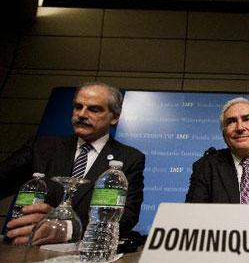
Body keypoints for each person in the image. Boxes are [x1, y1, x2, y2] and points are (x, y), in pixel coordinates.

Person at [1, 82, 145, 245]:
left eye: (94, 109)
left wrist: (68, 229)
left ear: (114, 117)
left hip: (82, 254)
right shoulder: (41, 147)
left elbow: (126, 217)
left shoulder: (130, 158)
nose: (82, 114)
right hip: (26, 246)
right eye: (78, 107)